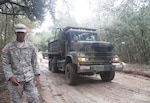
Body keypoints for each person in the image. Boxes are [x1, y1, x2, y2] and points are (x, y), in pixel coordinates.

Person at [1, 23, 40, 103]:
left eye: (22, 32)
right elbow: (5, 63)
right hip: (15, 80)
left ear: (25, 33)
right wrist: (10, 77)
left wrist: (36, 75)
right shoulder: (9, 47)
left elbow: (34, 61)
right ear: (15, 33)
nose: (20, 34)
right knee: (16, 101)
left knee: (34, 98)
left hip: (29, 78)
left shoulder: (30, 46)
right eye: (18, 32)